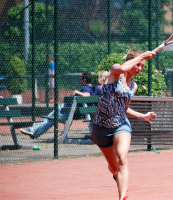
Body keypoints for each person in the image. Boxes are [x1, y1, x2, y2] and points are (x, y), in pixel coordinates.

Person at [91, 48, 157, 200]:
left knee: (122, 158)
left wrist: (143, 116)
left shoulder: (133, 86)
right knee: (114, 168)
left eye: (142, 66)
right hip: (101, 128)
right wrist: (142, 56)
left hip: (121, 125)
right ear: (131, 61)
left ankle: (121, 198)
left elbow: (124, 108)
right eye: (138, 65)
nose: (140, 69)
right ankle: (115, 174)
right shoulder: (115, 71)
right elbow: (122, 68)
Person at [20, 72, 102, 139]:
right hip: (75, 112)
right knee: (49, 119)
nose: (79, 81)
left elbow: (87, 95)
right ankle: (34, 132)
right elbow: (102, 92)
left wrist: (76, 92)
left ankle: (33, 130)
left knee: (49, 119)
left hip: (67, 109)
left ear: (84, 80)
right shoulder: (94, 87)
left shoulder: (85, 87)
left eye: (80, 79)